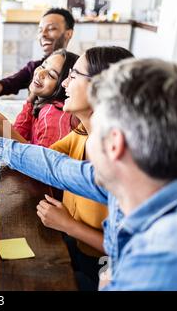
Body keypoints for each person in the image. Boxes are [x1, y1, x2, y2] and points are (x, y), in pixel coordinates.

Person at [0, 58, 177, 290]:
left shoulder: (162, 260)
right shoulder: (130, 180)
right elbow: (55, 166)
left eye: (96, 127)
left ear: (115, 144)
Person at [40, 46, 134, 291]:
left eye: (73, 75)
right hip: (75, 249)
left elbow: (127, 248)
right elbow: (41, 158)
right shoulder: (81, 134)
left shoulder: (124, 160)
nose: (64, 85)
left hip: (105, 268)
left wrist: (68, 225)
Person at [0, 49, 79, 146]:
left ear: (64, 85)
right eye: (43, 66)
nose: (40, 73)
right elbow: (20, 133)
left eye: (51, 75)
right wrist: (31, 99)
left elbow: (40, 163)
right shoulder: (42, 103)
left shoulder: (53, 115)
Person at [0, 8, 74, 97]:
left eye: (51, 28)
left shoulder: (77, 69)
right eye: (40, 30)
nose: (43, 34)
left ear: (68, 34)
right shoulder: (35, 67)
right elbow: (4, 85)